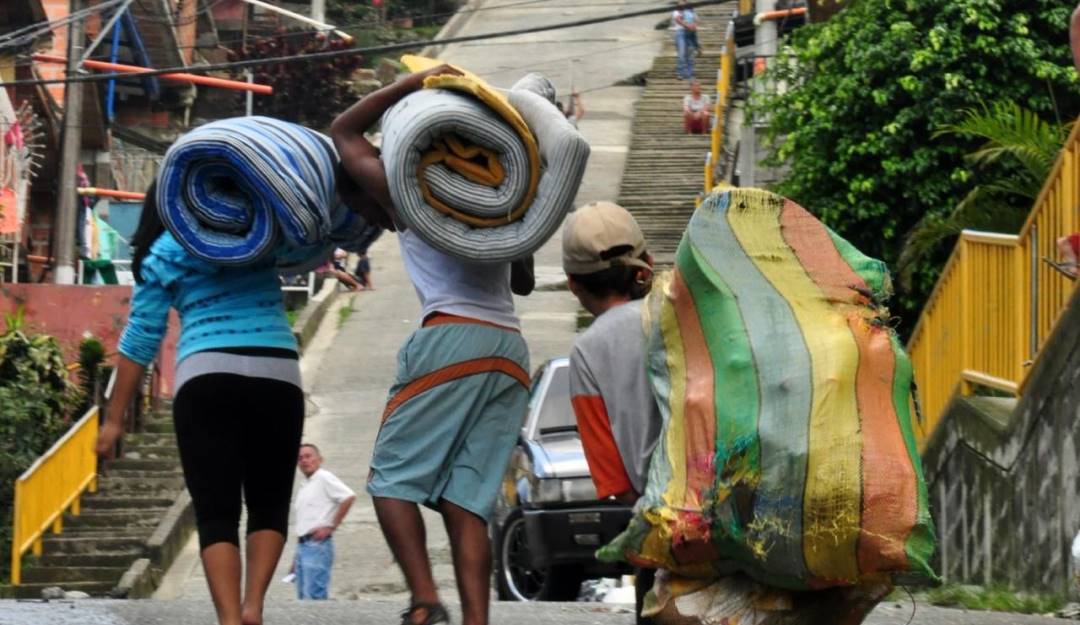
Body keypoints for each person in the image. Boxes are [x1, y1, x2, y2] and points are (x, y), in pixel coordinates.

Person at [330, 64, 536, 625]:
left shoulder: (410, 193)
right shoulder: (494, 196)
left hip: (450, 338)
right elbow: (523, 282)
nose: (374, 218)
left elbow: (344, 133)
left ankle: (424, 600)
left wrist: (411, 86)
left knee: (391, 481)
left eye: (365, 208)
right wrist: (512, 221)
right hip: (509, 351)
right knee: (465, 502)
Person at [95, 180, 304, 625]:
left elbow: (140, 340)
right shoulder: (257, 231)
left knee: (217, 512)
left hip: (206, 375)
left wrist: (114, 421)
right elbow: (310, 245)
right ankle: (254, 607)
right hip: (277, 370)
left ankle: (229, 618)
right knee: (270, 503)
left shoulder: (164, 253)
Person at [562, 201, 660, 622]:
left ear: (573, 285)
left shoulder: (586, 352)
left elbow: (615, 479)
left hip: (663, 529)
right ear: (647, 263)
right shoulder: (683, 314)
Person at [291, 443, 356, 600]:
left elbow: (348, 496)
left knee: (313, 598)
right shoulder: (305, 485)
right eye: (300, 458)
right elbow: (305, 522)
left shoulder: (323, 477)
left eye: (308, 456)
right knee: (302, 598)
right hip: (303, 546)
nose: (304, 461)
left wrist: (331, 526)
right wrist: (295, 558)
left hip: (316, 545)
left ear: (320, 459)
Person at [672, 0, 697, 79]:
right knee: (681, 54)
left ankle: (689, 72)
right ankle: (680, 72)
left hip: (690, 33)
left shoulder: (690, 11)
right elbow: (678, 20)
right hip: (680, 33)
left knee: (690, 54)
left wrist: (694, 25)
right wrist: (688, 25)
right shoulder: (676, 12)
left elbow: (696, 19)